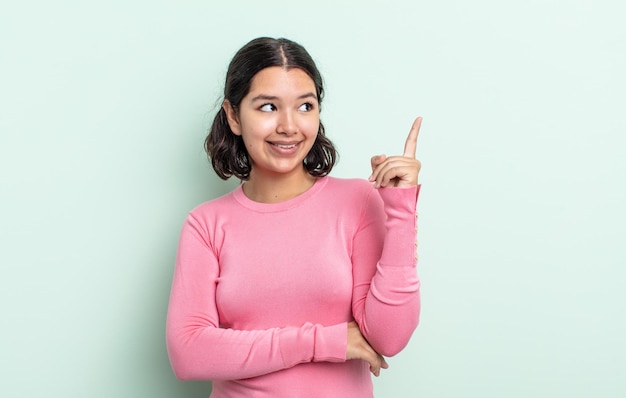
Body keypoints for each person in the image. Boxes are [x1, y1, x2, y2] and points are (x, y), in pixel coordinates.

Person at [166, 37, 423, 397]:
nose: (289, 126)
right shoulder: (205, 224)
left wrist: (401, 208)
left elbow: (389, 337)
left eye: (305, 106)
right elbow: (189, 353)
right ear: (233, 116)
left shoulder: (358, 201)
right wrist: (326, 341)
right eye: (268, 107)